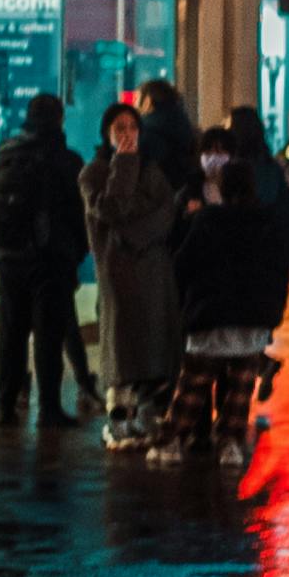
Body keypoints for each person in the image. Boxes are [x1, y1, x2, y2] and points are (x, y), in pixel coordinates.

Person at [165, 125, 289, 457]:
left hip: (210, 315)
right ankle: (231, 443)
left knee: (194, 384)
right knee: (240, 385)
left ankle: (173, 441)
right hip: (251, 319)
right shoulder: (266, 222)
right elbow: (277, 269)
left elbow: (182, 264)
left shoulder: (207, 221)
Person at [0, 93, 89, 429]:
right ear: (60, 119)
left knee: (10, 333)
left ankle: (5, 406)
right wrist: (75, 254)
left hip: (10, 257)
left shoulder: (3, 155)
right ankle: (49, 409)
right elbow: (78, 214)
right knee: (48, 334)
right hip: (52, 258)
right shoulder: (67, 160)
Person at [83, 99, 185, 447]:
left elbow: (164, 213)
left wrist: (133, 231)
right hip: (118, 270)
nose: (127, 135)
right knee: (122, 341)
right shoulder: (94, 172)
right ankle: (118, 415)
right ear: (107, 134)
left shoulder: (152, 170)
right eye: (119, 129)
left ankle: (147, 410)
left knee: (154, 339)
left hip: (153, 268)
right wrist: (124, 164)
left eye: (132, 128)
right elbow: (112, 208)